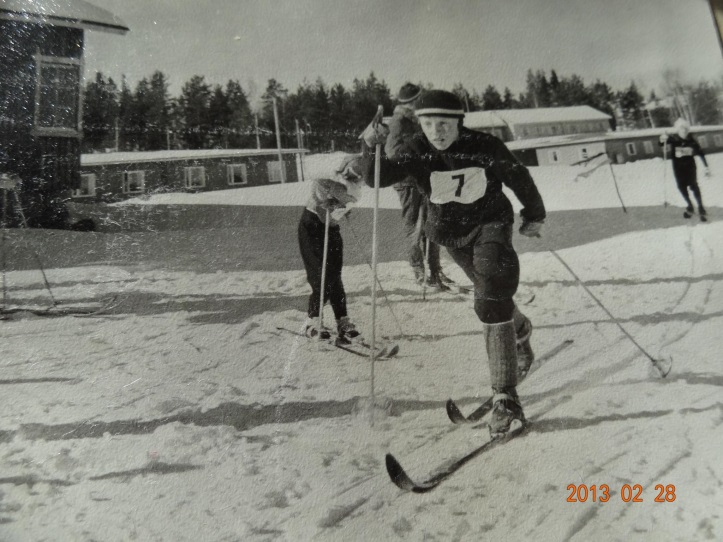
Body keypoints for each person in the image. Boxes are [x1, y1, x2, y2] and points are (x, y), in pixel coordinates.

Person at [361, 90, 546, 435]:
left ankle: (505, 396)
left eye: (444, 124)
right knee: (487, 295)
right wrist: (370, 145)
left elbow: (518, 175)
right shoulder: (416, 149)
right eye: (429, 123)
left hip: (491, 223)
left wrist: (534, 213)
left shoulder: (485, 145)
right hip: (450, 234)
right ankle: (518, 329)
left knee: (491, 291)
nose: (437, 131)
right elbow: (376, 177)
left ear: (459, 122)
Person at [386, 83, 452, 289]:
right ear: (411, 102)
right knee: (414, 226)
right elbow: (392, 151)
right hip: (408, 182)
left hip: (427, 179)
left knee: (434, 224)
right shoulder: (399, 122)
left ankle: (435, 270)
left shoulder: (420, 120)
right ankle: (418, 270)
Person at [298, 154, 364, 343]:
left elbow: (348, 200)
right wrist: (333, 197)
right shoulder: (332, 176)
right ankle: (313, 321)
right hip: (311, 226)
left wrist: (341, 205)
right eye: (351, 171)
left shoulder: (356, 188)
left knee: (334, 274)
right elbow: (319, 183)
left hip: (332, 226)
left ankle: (342, 321)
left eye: (358, 175)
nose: (355, 176)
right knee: (321, 274)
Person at [660, 118, 711, 221]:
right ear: (678, 130)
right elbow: (661, 143)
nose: (683, 130)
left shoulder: (691, 140)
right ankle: (690, 205)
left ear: (688, 130)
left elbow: (700, 153)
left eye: (685, 129)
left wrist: (706, 166)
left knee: (694, 186)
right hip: (678, 169)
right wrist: (662, 138)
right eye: (681, 128)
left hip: (690, 167)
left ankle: (701, 207)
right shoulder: (673, 139)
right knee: (681, 187)